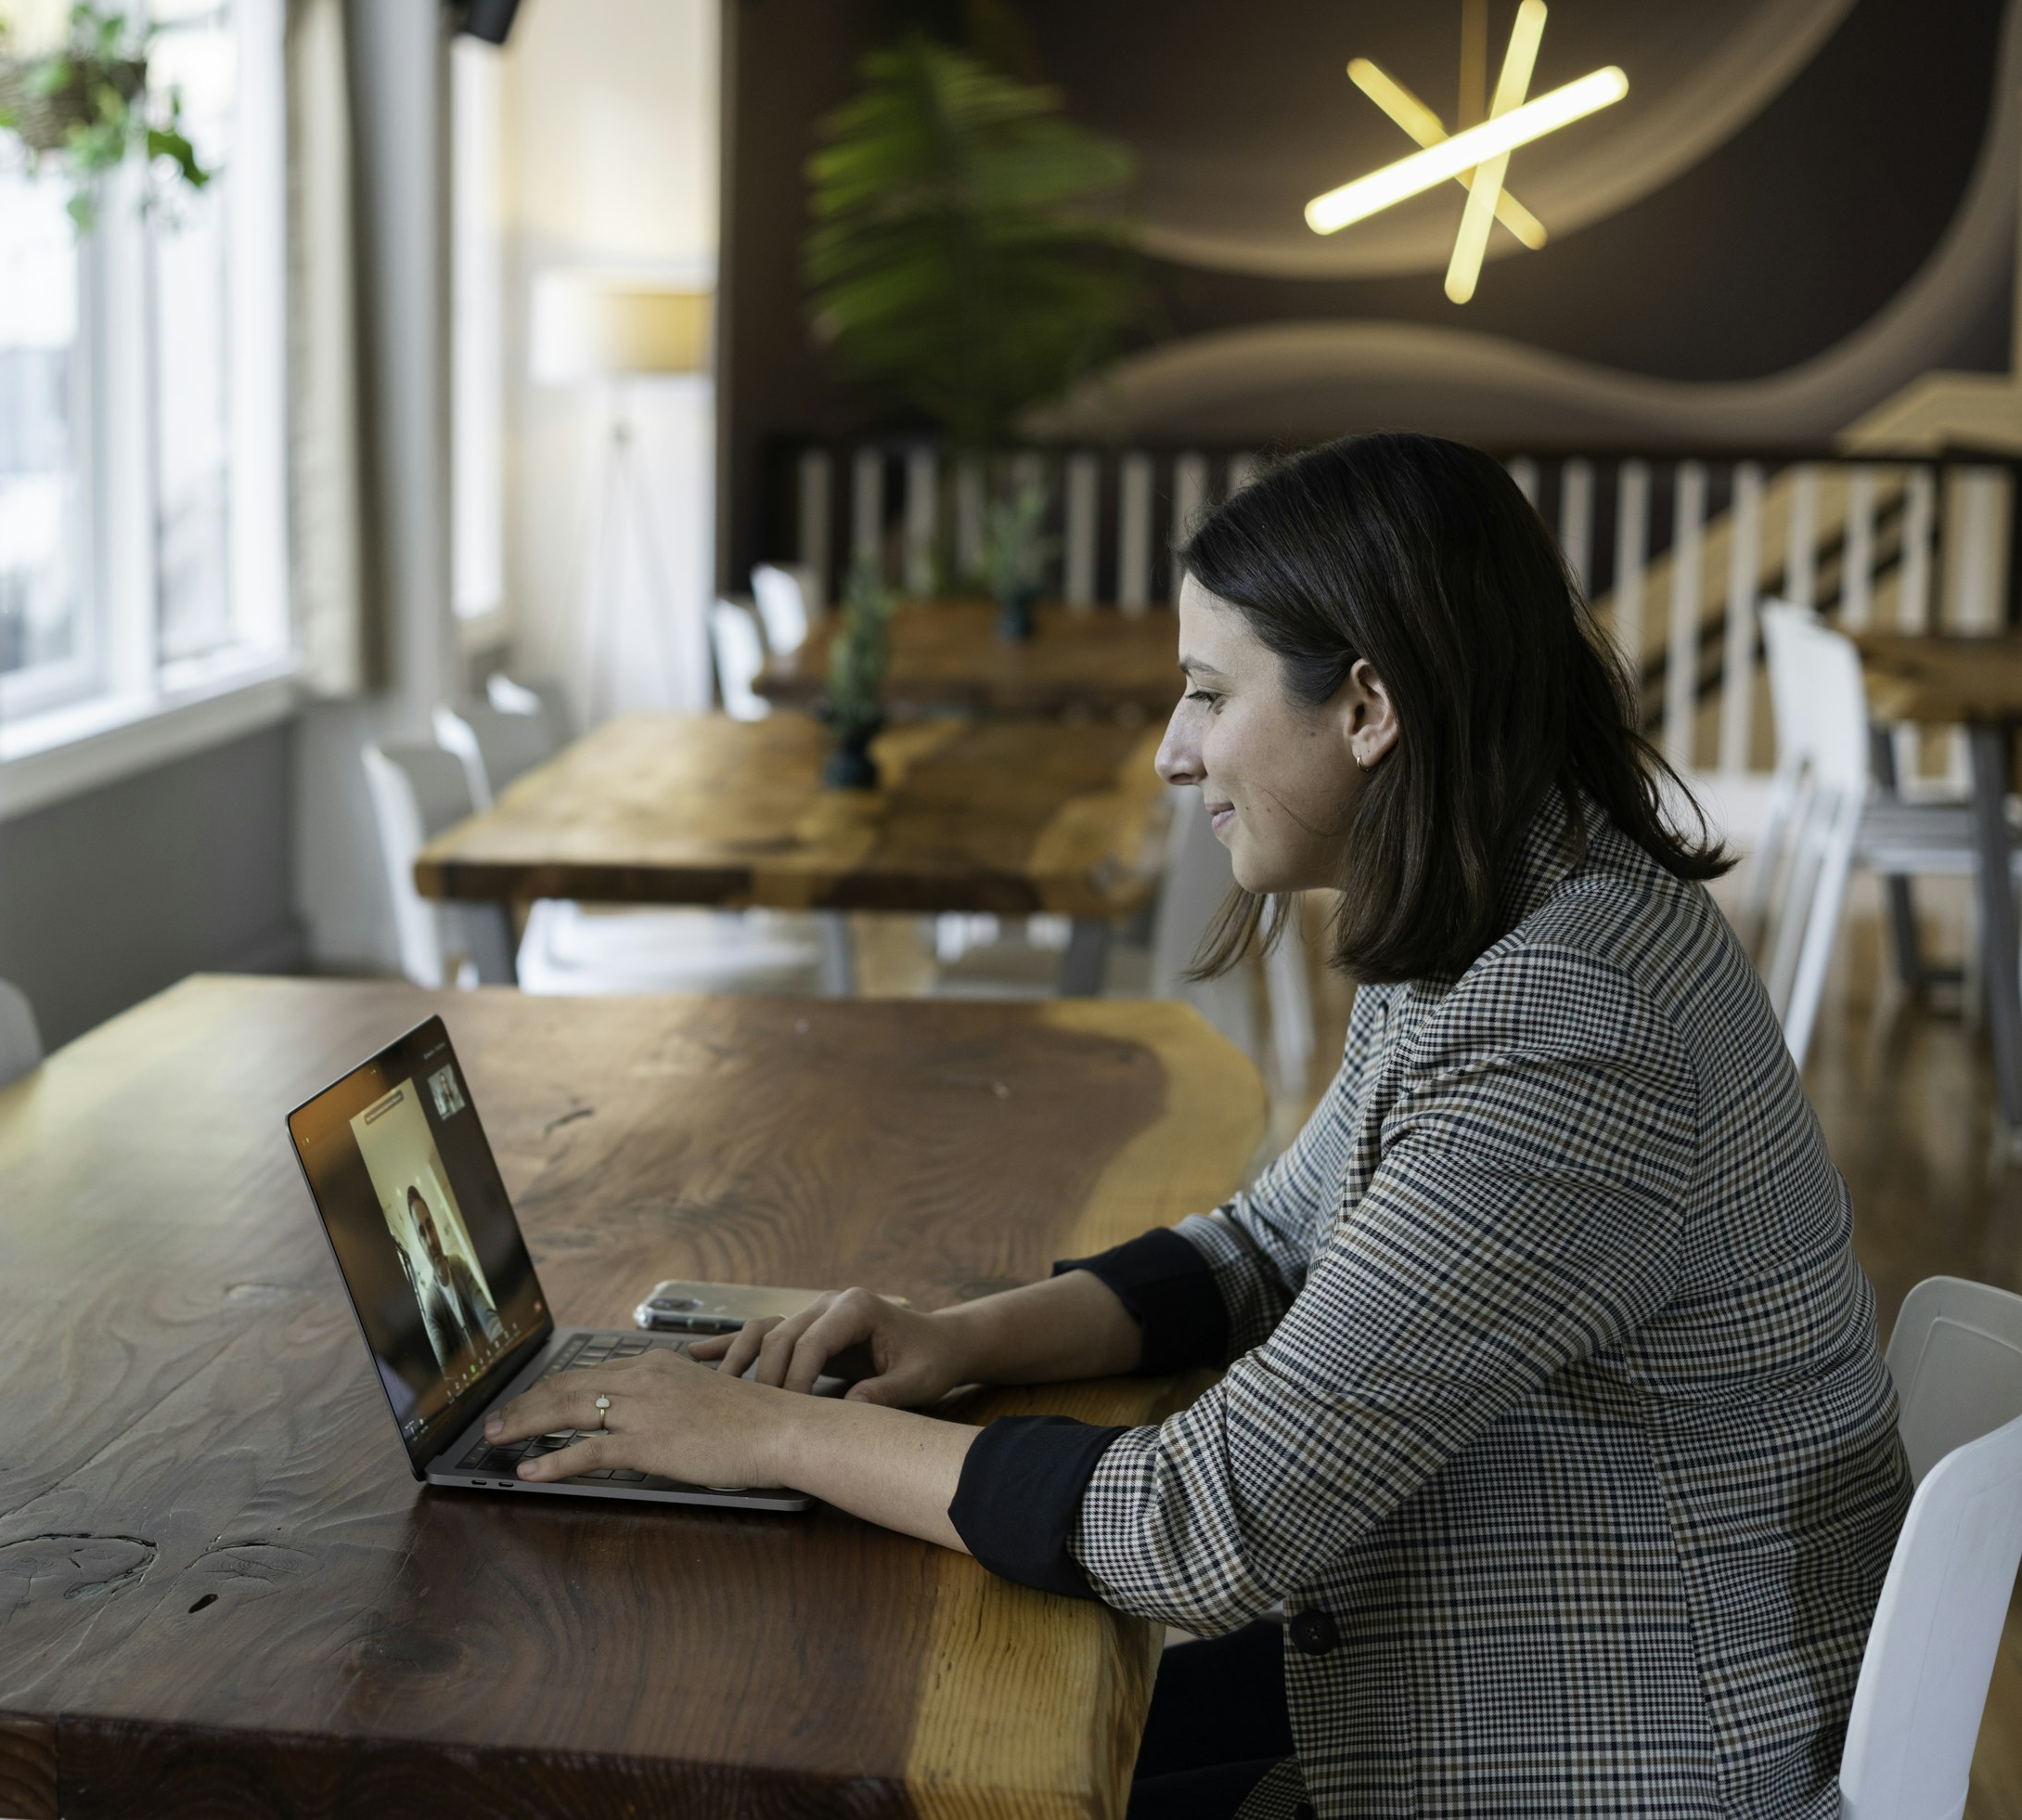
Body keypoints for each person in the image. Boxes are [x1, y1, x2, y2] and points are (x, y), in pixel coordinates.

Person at [482, 433, 1912, 1819]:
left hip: (1624, 1760)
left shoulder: (1576, 1022)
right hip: (1502, 1678)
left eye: (1208, 695)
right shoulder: (1520, 910)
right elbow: (1269, 1243)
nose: (1172, 753)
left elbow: (1204, 1527)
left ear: (1367, 707)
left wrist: (767, 1438)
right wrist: (960, 1336)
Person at [403, 1182, 503, 1367]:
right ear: (419, 1241)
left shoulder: (459, 1265)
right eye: (422, 1233)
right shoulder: (431, 1306)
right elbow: (446, 1372)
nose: (431, 1241)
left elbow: (489, 1319)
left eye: (430, 1226)